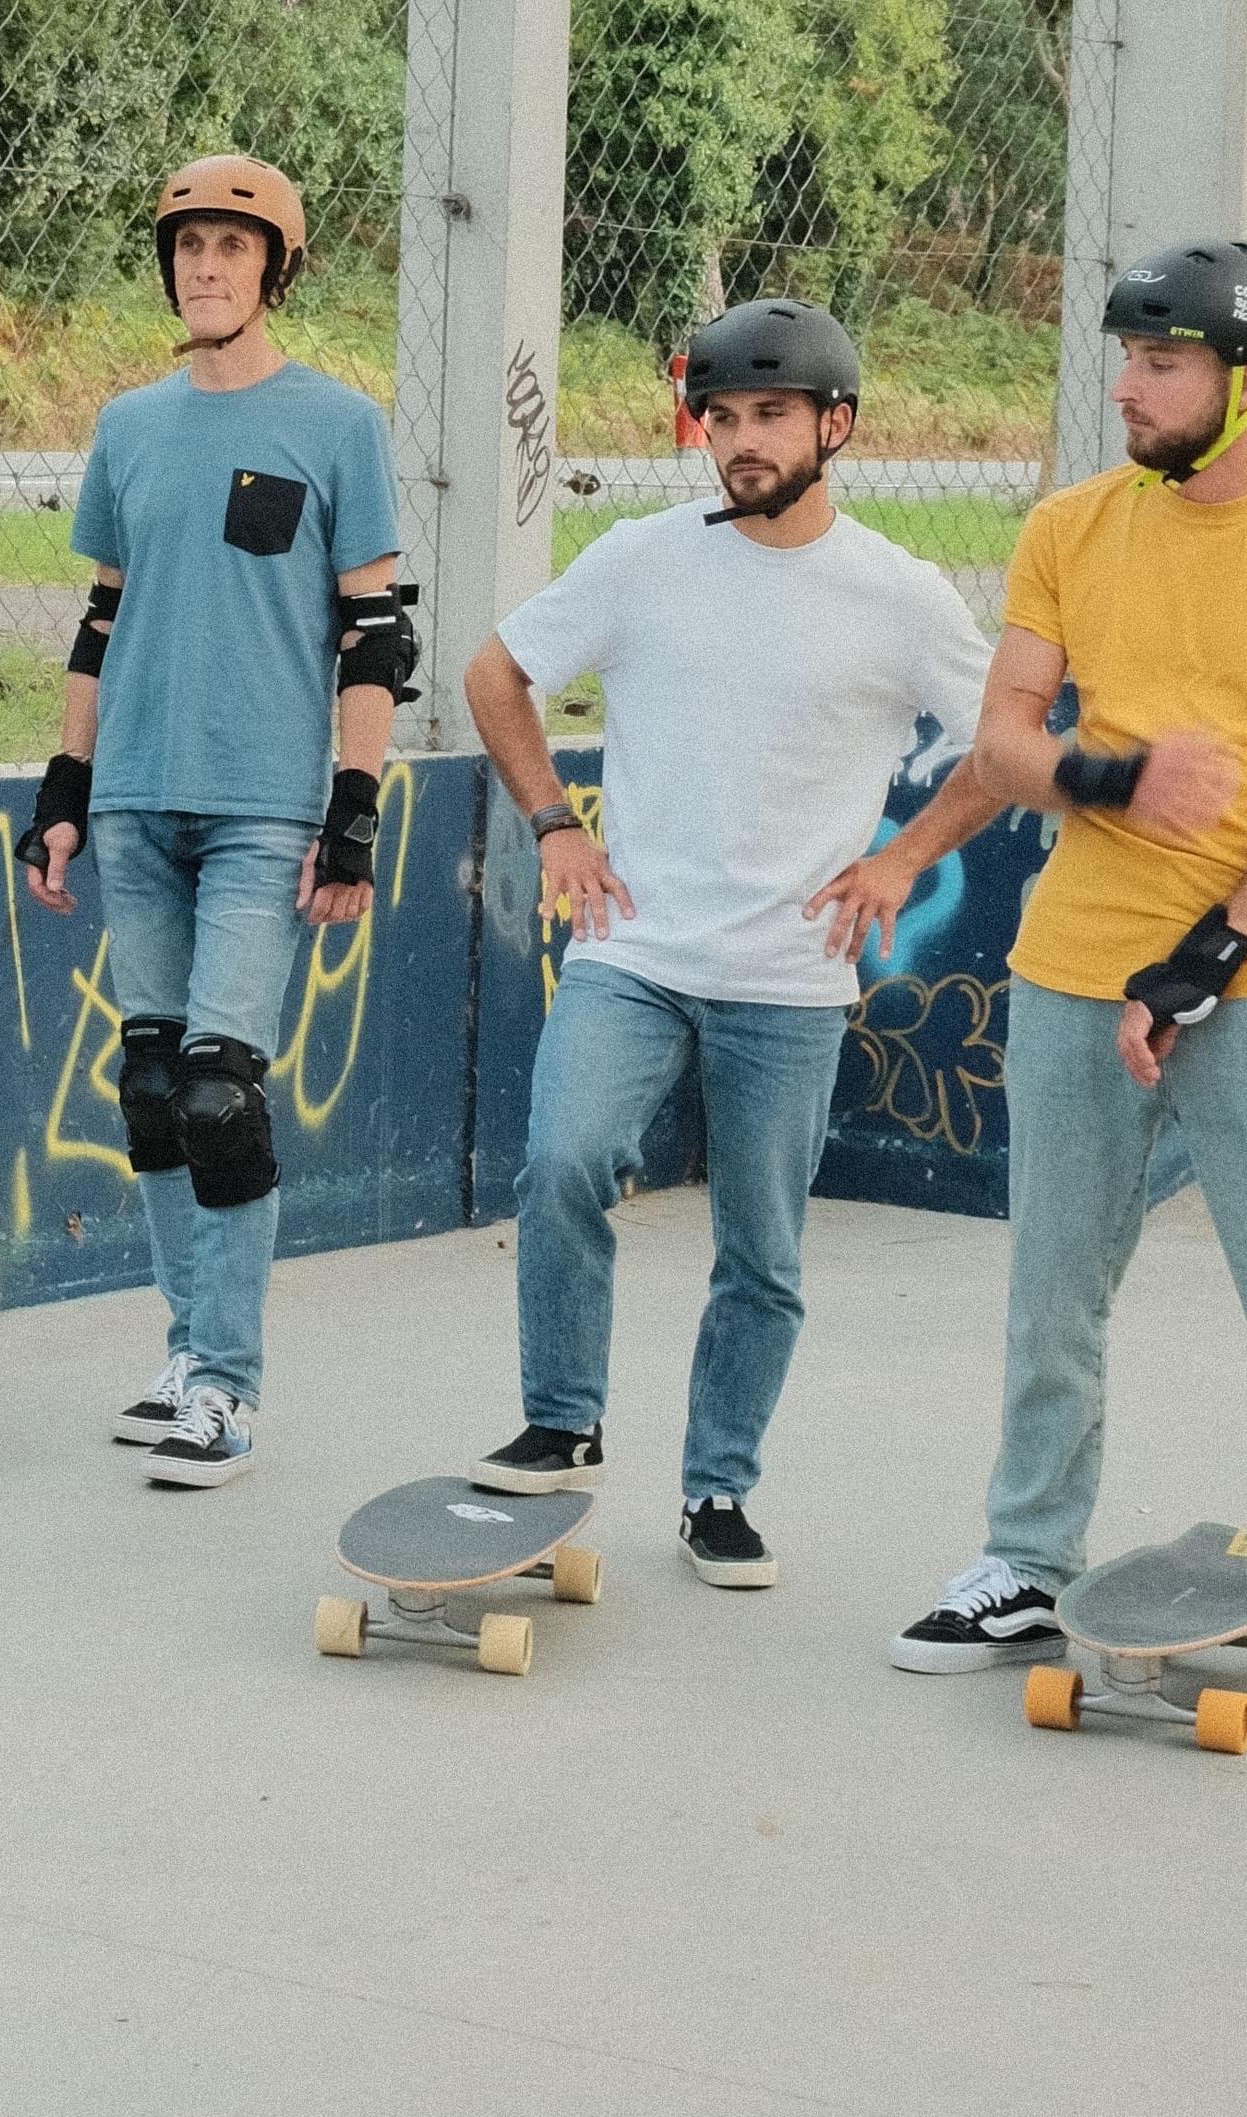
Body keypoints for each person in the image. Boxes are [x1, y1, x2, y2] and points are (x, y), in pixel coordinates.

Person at [885, 239, 1247, 1747]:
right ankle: (1024, 1557)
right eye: (1126, 358)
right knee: (1052, 1292)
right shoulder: (1074, 526)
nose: (1128, 389)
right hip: (1070, 966)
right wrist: (1113, 775)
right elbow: (1008, 737)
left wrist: (1209, 956)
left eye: (1163, 364)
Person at [456, 299, 1004, 1587]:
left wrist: (902, 858)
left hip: (788, 976)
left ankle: (718, 1491)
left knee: (761, 1247)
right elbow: (497, 674)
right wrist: (553, 824)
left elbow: (1005, 746)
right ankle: (562, 1420)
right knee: (566, 1161)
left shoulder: (896, 594)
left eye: (771, 416)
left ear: (837, 426)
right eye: (724, 417)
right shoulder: (644, 557)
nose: (741, 441)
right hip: (633, 947)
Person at [13, 153, 411, 1490]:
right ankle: (186, 1351)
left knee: (221, 1090)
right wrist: (61, 794)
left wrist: (352, 811)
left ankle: (229, 1393)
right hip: (132, 795)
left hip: (261, 809)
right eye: (188, 246)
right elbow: (101, 621)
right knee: (148, 1089)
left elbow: (375, 636)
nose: (206, 267)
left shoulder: (339, 426)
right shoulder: (130, 426)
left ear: (275, 269)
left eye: (234, 249)